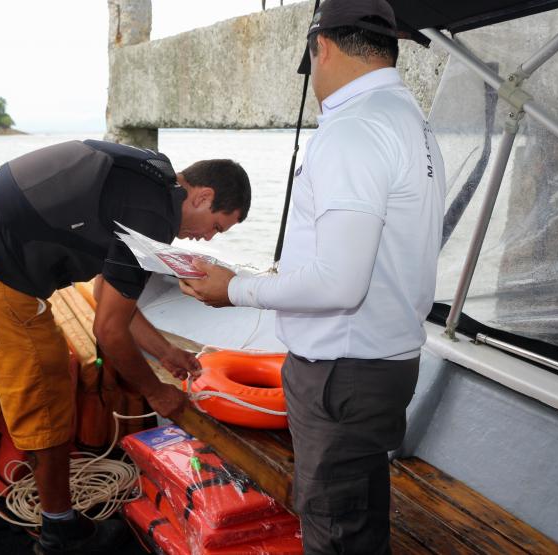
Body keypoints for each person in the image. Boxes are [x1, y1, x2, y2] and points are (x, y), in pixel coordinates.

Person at [0, 139, 251, 554]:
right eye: (217, 226)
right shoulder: (153, 217)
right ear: (203, 196)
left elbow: (105, 293)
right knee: (45, 394)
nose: (207, 238)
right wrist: (156, 391)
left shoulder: (146, 182)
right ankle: (60, 530)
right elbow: (110, 330)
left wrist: (166, 354)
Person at [179, 1, 446, 553]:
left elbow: (339, 284)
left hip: (341, 376)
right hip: (383, 366)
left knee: (332, 530)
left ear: (320, 46)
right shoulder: (409, 123)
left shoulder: (352, 132)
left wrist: (233, 288)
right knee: (359, 521)